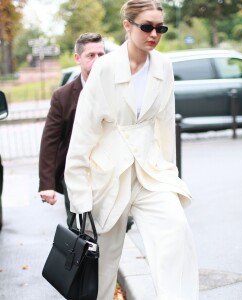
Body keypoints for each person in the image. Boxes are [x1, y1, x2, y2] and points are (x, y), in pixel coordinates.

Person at [65, 1, 199, 299]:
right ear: (128, 25)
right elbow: (84, 133)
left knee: (176, 233)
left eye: (160, 28)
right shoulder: (105, 68)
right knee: (104, 263)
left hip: (150, 172)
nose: (154, 34)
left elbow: (164, 125)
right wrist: (79, 196)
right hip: (108, 175)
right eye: (147, 26)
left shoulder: (163, 65)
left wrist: (170, 174)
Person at [38, 33, 105, 226]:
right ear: (78, 58)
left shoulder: (116, 89)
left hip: (110, 172)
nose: (98, 60)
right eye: (91, 55)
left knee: (114, 228)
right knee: (79, 230)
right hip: (76, 174)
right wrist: (47, 185)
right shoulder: (63, 96)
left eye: (101, 54)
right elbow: (50, 141)